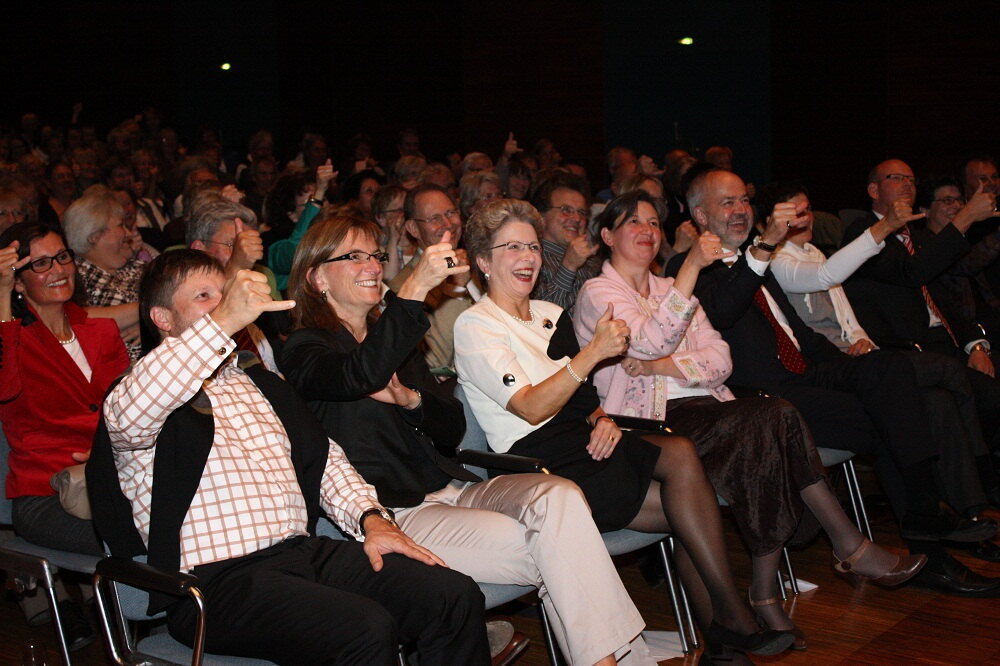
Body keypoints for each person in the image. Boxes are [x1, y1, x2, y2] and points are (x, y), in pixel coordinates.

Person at [281, 214, 658, 665]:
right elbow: (358, 373)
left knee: (560, 496)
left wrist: (411, 401)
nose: (373, 266)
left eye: (376, 255)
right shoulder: (305, 350)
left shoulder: (391, 337)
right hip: (396, 512)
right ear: (317, 276)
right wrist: (414, 290)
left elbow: (451, 426)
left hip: (457, 488)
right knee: (563, 546)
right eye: (354, 256)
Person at [88, 250, 490, 665]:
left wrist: (372, 519)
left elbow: (327, 461)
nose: (225, 307)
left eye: (225, 296)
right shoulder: (138, 394)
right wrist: (224, 320)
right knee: (363, 629)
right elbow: (134, 411)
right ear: (164, 319)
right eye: (205, 296)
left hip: (302, 553)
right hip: (214, 582)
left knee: (452, 595)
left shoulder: (261, 384)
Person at [574, 191, 925, 647]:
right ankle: (825, 561)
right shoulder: (597, 293)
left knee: (774, 420)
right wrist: (691, 270)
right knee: (771, 420)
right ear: (607, 235)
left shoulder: (667, 288)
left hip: (712, 410)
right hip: (653, 426)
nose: (647, 231)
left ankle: (776, 590)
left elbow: (721, 359)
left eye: (652, 223)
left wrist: (665, 367)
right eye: (633, 223)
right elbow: (652, 340)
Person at [455, 198, 798, 663]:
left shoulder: (547, 314)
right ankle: (730, 625)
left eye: (533, 246)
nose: (528, 257)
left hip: (582, 439)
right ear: (482, 260)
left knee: (682, 461)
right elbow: (532, 407)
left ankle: (728, 627)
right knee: (690, 498)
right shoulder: (476, 324)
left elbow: (581, 399)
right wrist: (591, 354)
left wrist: (602, 419)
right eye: (512, 247)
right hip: (535, 462)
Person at [665, 168, 1000, 594]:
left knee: (892, 371)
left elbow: (798, 335)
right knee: (901, 411)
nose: (740, 211)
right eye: (726, 202)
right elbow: (727, 309)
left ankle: (924, 518)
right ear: (699, 214)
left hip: (809, 371)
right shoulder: (689, 268)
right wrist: (764, 246)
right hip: (770, 397)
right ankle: (928, 543)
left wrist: (852, 365)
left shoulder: (756, 260)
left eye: (743, 201)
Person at [0, 223, 130, 648]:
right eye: (40, 263)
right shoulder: (13, 340)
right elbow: (4, 388)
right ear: (18, 281)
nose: (58, 269)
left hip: (109, 484)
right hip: (45, 496)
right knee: (139, 533)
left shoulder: (100, 331)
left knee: (172, 520)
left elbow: (125, 414)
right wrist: (1, 299)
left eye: (62, 257)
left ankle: (142, 626)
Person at [841, 159, 1000, 454]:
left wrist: (976, 346)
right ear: (874, 189)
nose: (907, 185)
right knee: (984, 395)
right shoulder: (862, 234)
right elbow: (913, 273)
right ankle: (983, 476)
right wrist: (965, 217)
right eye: (896, 178)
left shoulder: (920, 235)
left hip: (948, 342)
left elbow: (948, 299)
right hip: (910, 347)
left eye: (912, 180)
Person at [387, 184, 474, 370]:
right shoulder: (403, 288)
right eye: (435, 218)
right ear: (413, 228)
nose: (448, 224)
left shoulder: (477, 261)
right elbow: (434, 364)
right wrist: (456, 289)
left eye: (451, 213)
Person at [63, 185, 145, 360]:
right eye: (120, 225)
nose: (126, 232)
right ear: (94, 236)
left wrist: (148, 325)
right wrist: (149, 311)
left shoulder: (134, 265)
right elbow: (75, 318)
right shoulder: (75, 276)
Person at [531, 171, 601, 312]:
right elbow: (542, 321)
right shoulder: (532, 260)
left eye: (581, 212)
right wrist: (569, 266)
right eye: (566, 210)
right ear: (541, 217)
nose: (576, 218)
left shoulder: (595, 262)